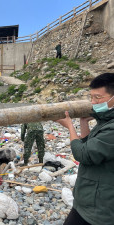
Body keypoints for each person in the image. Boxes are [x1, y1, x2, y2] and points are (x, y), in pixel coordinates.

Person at [56, 73, 114, 225]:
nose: (93, 102)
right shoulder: (106, 121)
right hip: (90, 201)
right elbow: (90, 146)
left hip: (99, 209)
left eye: (98, 98)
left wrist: (69, 126)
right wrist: (83, 123)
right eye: (91, 98)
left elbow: (83, 153)